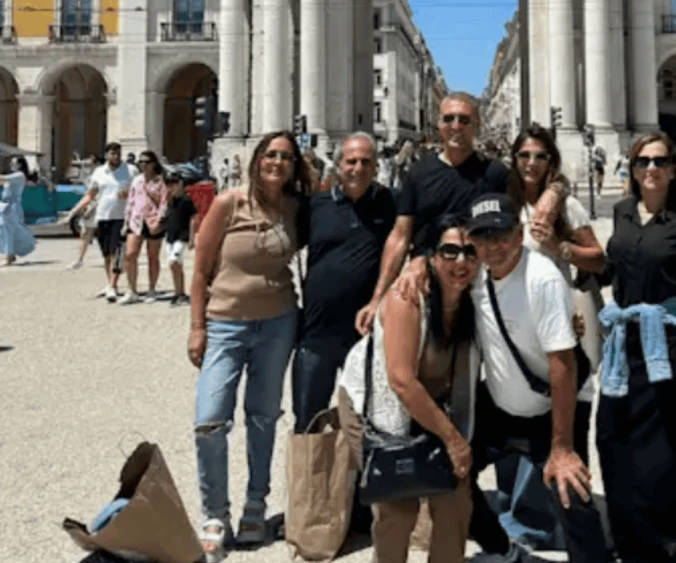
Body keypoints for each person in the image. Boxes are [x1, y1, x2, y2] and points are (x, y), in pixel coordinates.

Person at [462, 193, 610, 563]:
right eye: (481, 237)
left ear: (518, 234)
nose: (492, 246)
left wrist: (561, 448)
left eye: (500, 235)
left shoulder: (541, 279)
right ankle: (501, 549)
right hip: (499, 408)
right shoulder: (474, 276)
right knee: (450, 471)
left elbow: (563, 364)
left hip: (552, 409)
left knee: (569, 492)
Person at [187, 131, 312, 563]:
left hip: (278, 322)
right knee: (209, 420)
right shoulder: (227, 203)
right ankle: (214, 513)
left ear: (295, 166)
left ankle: (256, 503)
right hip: (225, 324)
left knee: (263, 417)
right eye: (271, 155)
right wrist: (197, 327)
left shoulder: (296, 209)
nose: (277, 163)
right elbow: (200, 269)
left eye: (287, 157)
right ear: (257, 160)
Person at [356, 92, 566, 335]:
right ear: (439, 124)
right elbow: (401, 235)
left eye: (464, 120)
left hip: (478, 285)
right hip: (425, 280)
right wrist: (377, 297)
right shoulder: (417, 172)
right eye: (449, 119)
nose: (456, 126)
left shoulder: (495, 173)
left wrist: (556, 190)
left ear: (477, 125)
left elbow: (534, 182)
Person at [339, 214, 482, 563]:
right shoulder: (409, 297)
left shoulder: (475, 298)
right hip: (375, 406)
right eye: (449, 252)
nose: (460, 261)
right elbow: (400, 381)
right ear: (431, 257)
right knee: (397, 507)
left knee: (455, 500)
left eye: (468, 251)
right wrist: (453, 439)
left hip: (431, 406)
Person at [490, 125, 607, 550]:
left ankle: (578, 531)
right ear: (514, 159)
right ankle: (523, 523)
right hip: (510, 331)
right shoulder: (503, 204)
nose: (532, 163)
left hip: (557, 324)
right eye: (524, 155)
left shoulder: (566, 204)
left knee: (568, 425)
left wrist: (559, 245)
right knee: (518, 427)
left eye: (540, 156)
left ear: (551, 161)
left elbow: (597, 259)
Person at [598, 133, 676, 563]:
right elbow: (613, 269)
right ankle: (629, 531)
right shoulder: (623, 212)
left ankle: (666, 533)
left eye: (660, 161)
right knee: (611, 434)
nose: (651, 168)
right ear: (631, 167)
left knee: (660, 441)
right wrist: (571, 255)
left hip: (666, 340)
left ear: (673, 168)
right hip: (623, 339)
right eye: (642, 161)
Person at [292, 132, 397, 434]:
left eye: (366, 162)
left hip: (366, 335)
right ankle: (309, 482)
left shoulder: (390, 204)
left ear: (376, 167)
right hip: (316, 333)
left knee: (370, 422)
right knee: (308, 423)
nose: (358, 168)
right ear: (337, 166)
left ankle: (359, 482)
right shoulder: (315, 207)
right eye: (351, 161)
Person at [63, 142, 140, 302]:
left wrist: (129, 195)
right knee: (106, 254)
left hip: (123, 216)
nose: (116, 156)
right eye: (112, 153)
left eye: (118, 153)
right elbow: (90, 194)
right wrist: (74, 211)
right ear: (106, 155)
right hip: (103, 216)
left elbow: (139, 191)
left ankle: (112, 285)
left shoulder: (130, 170)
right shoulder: (99, 172)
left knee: (117, 253)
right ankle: (111, 284)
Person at [120, 150, 169, 305]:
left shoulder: (160, 182)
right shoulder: (136, 180)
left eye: (146, 162)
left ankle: (152, 288)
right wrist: (126, 220)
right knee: (130, 254)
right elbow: (131, 201)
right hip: (136, 220)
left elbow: (164, 203)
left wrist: (159, 221)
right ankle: (132, 290)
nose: (143, 165)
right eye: (141, 162)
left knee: (152, 256)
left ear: (154, 163)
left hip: (153, 220)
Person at [163, 173, 198, 306]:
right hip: (170, 237)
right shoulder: (170, 201)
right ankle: (179, 292)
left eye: (173, 184)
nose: (170, 187)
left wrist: (192, 237)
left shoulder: (186, 200)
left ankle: (180, 292)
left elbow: (194, 218)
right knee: (176, 266)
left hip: (182, 236)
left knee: (173, 262)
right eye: (168, 184)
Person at [0, 156, 37, 266]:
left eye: (13, 163)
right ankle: (9, 254)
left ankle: (9, 256)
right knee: (5, 231)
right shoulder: (13, 176)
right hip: (5, 205)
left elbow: (3, 178)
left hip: (12, 207)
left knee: (9, 231)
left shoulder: (19, 175)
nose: (11, 165)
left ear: (20, 165)